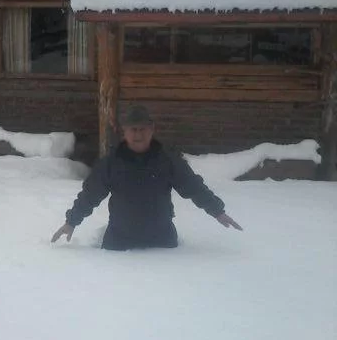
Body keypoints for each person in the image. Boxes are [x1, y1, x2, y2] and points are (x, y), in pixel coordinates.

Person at [51, 105, 242, 250]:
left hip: (162, 240)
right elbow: (90, 195)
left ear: (152, 129)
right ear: (124, 131)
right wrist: (71, 222)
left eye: (142, 129)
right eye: (133, 129)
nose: (138, 134)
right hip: (119, 241)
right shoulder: (111, 162)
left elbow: (193, 187)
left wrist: (217, 210)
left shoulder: (167, 160)